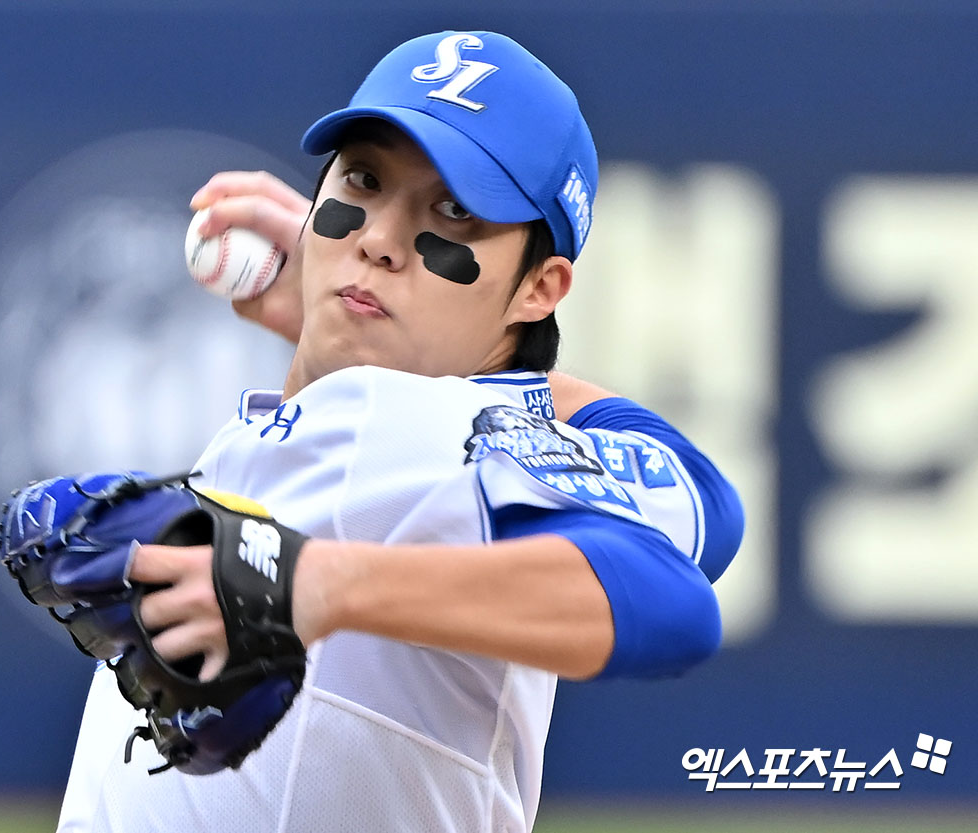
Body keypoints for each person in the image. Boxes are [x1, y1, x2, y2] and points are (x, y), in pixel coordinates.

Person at [54, 30, 743, 833]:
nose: (377, 237)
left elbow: (672, 601)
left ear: (538, 288)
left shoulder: (408, 429)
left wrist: (322, 584)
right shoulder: (403, 420)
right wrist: (367, 341)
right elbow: (708, 512)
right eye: (363, 179)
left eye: (453, 211)